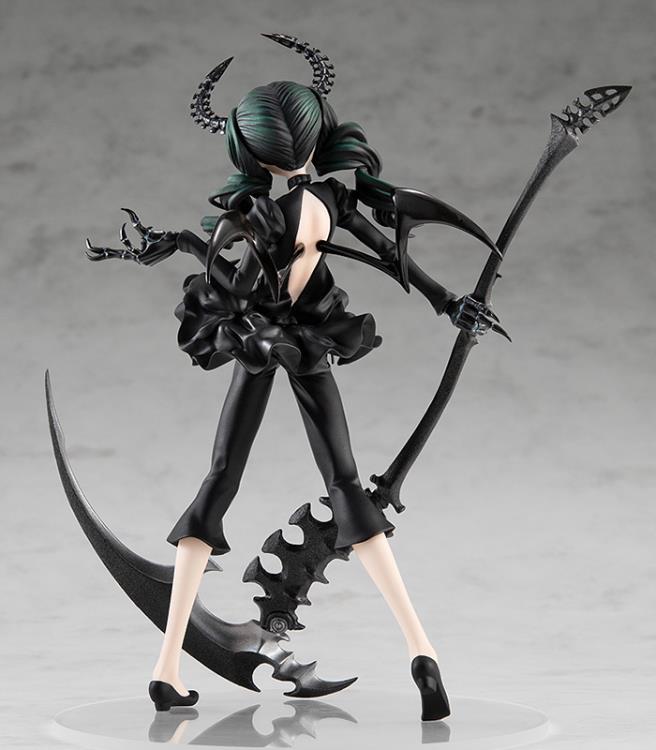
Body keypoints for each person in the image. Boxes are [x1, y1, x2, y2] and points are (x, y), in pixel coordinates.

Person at [86, 34, 500, 721]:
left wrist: (187, 246)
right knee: (347, 486)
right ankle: (422, 652)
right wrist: (448, 301)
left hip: (264, 340)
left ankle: (165, 667)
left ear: (249, 154)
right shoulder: (334, 199)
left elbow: (240, 291)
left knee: (220, 480)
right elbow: (389, 252)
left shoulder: (260, 216)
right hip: (306, 341)